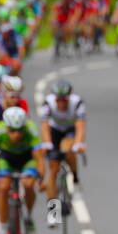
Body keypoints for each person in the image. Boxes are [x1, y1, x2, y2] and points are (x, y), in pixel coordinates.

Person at [0, 107, 47, 234]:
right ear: (6, 127)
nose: (16, 135)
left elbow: (39, 158)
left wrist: (41, 178)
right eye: (12, 130)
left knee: (28, 184)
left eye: (19, 130)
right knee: (4, 187)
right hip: (6, 158)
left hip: (26, 158)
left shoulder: (31, 129)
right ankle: (3, 230)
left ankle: (29, 218)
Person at [38, 80, 87, 223]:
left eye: (64, 99)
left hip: (70, 131)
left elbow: (80, 126)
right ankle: (53, 213)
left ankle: (76, 180)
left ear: (69, 97)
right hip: (54, 131)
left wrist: (78, 144)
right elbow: (45, 126)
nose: (61, 103)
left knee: (68, 148)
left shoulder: (77, 103)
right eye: (58, 99)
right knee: (53, 170)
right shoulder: (48, 103)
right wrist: (47, 143)